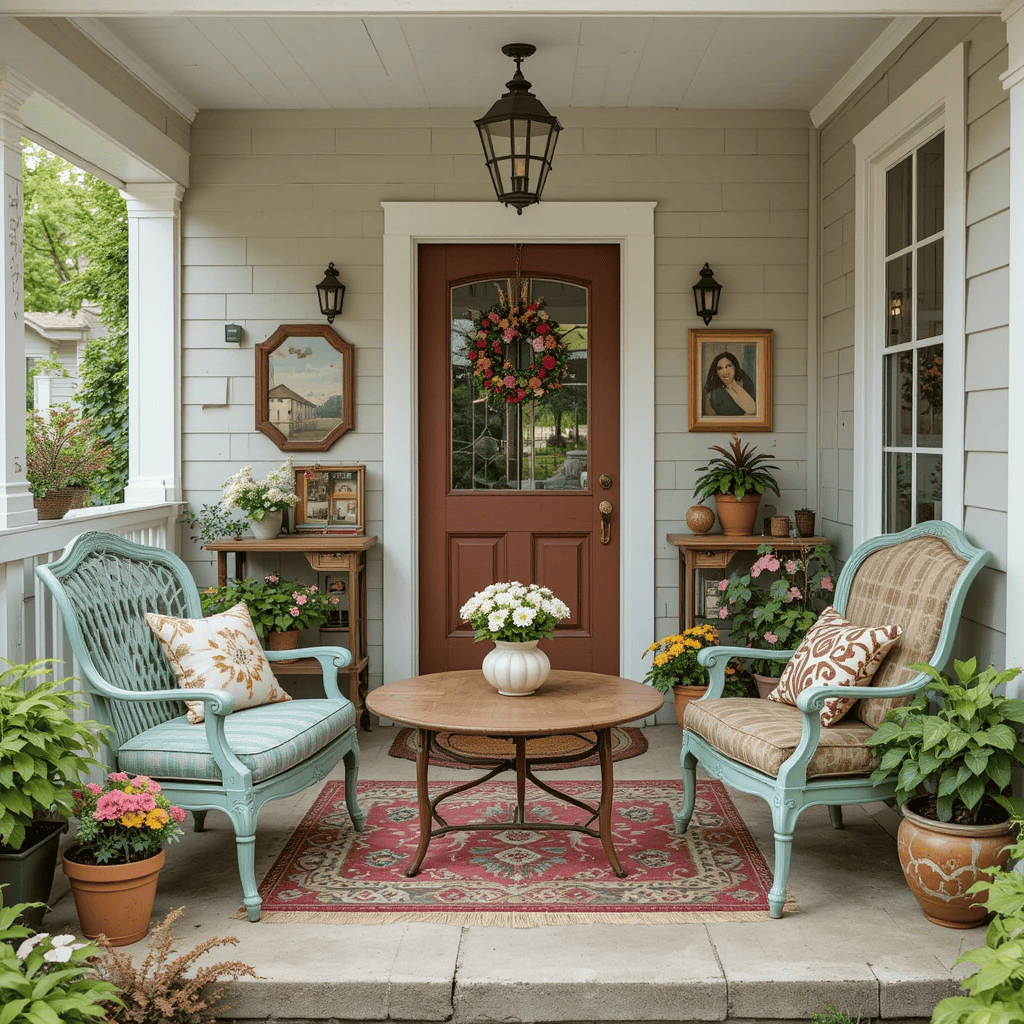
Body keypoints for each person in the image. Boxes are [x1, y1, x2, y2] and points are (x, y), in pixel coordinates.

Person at [703, 351, 756, 416]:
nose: (725, 371)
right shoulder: (712, 393)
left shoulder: (744, 380)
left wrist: (732, 384)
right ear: (716, 372)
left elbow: (752, 410)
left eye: (728, 366)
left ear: (734, 367)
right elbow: (709, 417)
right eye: (720, 368)